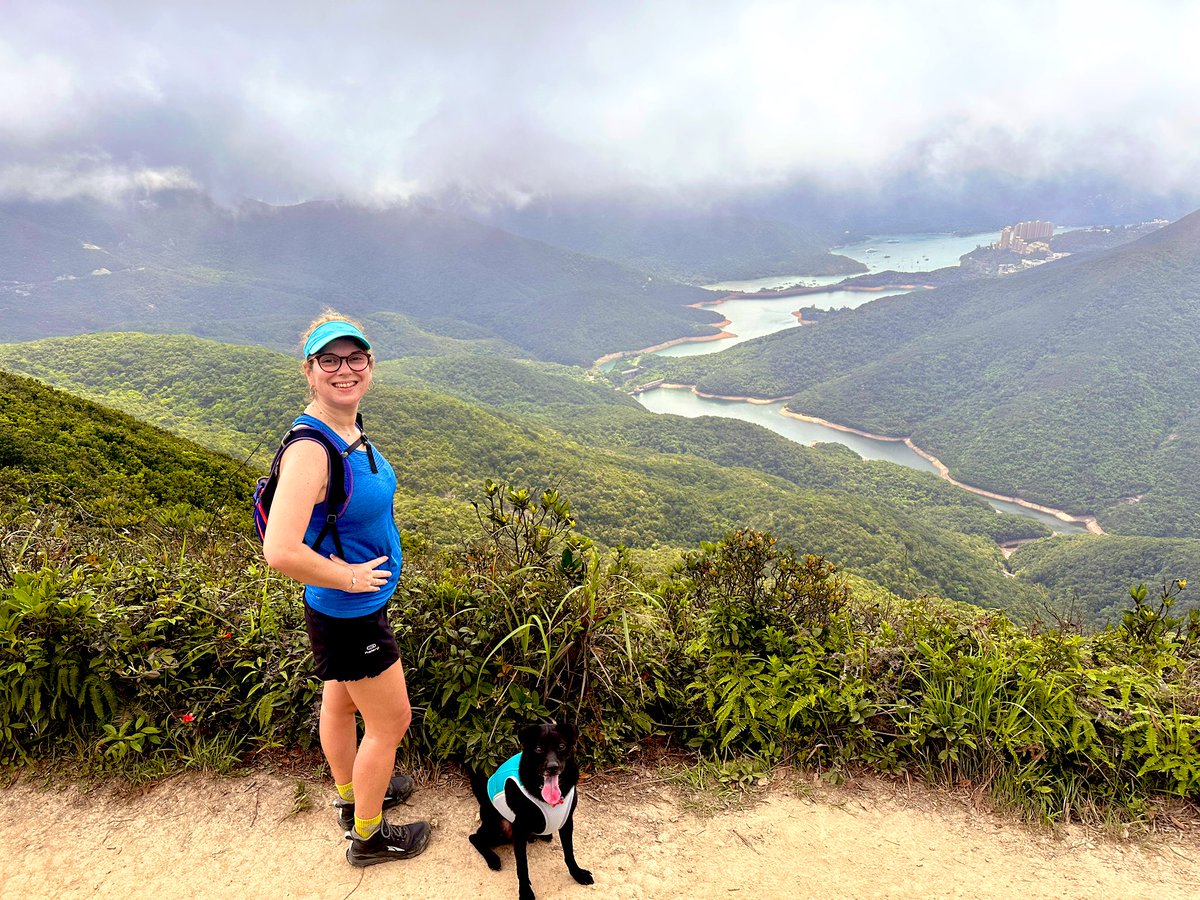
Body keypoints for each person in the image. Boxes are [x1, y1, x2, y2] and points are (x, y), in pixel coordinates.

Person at [262, 311, 431, 867]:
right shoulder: (312, 449)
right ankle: (368, 836)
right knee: (391, 722)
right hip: (349, 612)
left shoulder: (348, 431)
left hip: (344, 610)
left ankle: (350, 797)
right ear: (309, 372)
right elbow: (280, 549)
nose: (344, 369)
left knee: (339, 703)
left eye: (354, 357)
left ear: (370, 365)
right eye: (328, 360)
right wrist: (350, 577)